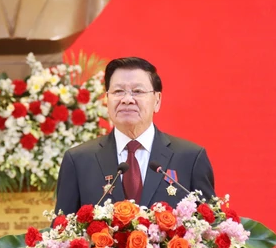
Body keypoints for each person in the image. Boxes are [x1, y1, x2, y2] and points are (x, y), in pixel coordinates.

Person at [54, 57, 216, 214]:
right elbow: (62, 231)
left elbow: (211, 227)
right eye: (118, 91)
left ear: (157, 100)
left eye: (137, 91)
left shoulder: (190, 158)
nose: (127, 99)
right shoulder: (78, 160)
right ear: (107, 99)